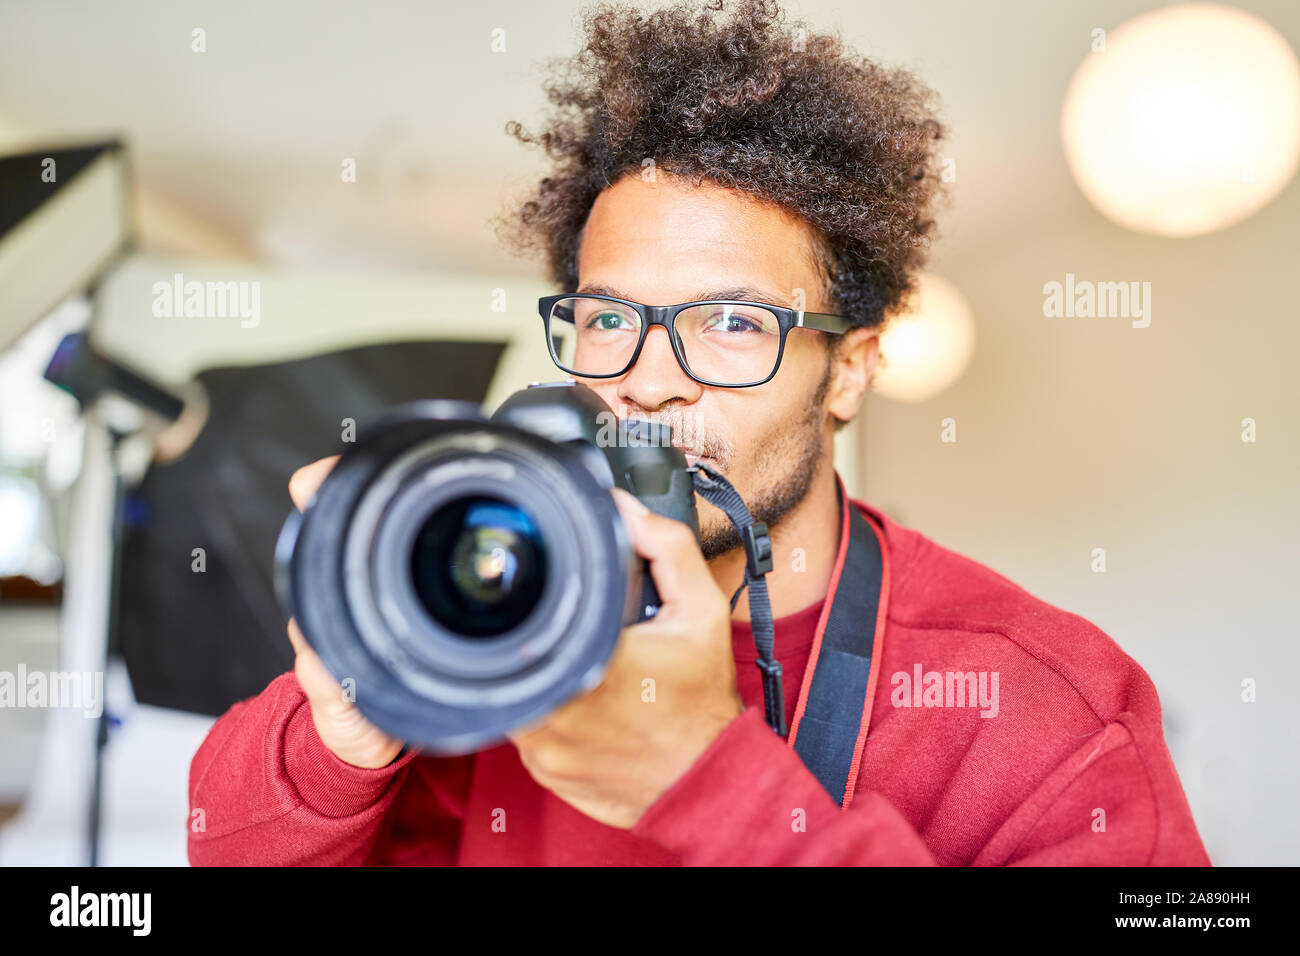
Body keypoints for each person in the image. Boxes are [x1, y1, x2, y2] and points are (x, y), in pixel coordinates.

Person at [188, 0, 1210, 865]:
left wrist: (710, 786)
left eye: (730, 322)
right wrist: (338, 737)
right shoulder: (478, 598)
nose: (646, 379)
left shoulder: (1051, 710)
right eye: (608, 318)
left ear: (849, 369)